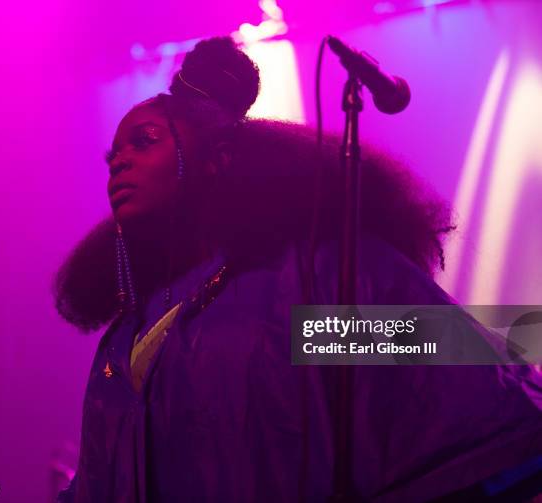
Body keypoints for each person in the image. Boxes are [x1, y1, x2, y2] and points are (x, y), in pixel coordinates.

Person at [53, 37, 542, 502]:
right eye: (113, 154)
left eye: (143, 141)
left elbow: (481, 404)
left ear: (215, 161)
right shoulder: (123, 338)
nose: (119, 162)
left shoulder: (308, 285)